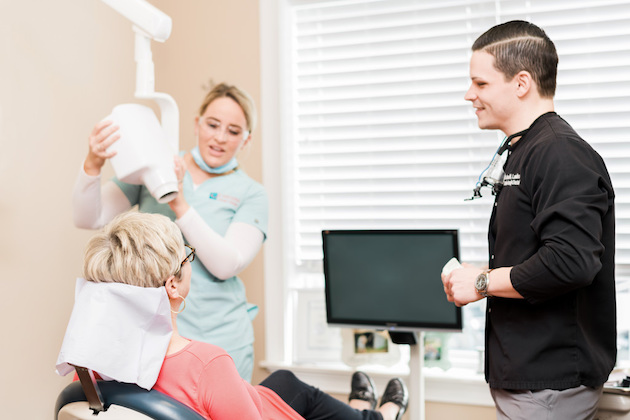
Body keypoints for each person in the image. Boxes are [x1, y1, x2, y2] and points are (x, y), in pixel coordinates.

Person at [74, 211, 409, 420]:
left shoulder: (89, 370)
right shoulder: (207, 365)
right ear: (173, 284)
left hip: (234, 404)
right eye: (186, 256)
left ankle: (365, 412)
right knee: (298, 392)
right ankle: (379, 416)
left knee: (285, 382)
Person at [441, 20, 616, 419]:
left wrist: (483, 283)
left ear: (521, 83)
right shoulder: (526, 150)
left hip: (549, 384)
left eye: (481, 84)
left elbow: (571, 262)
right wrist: (478, 274)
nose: (470, 95)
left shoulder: (561, 154)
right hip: (528, 380)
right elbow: (536, 255)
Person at [72, 82, 267, 381]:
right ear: (197, 123)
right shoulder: (157, 162)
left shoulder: (251, 193)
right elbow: (90, 217)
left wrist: (179, 202)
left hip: (220, 336)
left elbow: (227, 265)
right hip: (153, 332)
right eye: (213, 124)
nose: (219, 137)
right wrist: (94, 162)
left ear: (246, 139)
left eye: (233, 131)